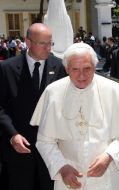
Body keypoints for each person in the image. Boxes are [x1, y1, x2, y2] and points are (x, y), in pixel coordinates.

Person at [30, 42, 119, 190]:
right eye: (75, 69)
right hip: (69, 178)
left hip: (108, 177)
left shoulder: (115, 91)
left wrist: (109, 156)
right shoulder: (53, 92)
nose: (81, 75)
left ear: (95, 67)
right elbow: (44, 141)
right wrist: (61, 166)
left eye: (87, 69)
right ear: (67, 69)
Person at [0, 23, 67, 190]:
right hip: (19, 150)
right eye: (42, 43)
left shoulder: (59, 67)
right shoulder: (6, 68)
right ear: (28, 43)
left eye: (50, 43)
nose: (47, 48)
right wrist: (12, 135)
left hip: (51, 151)